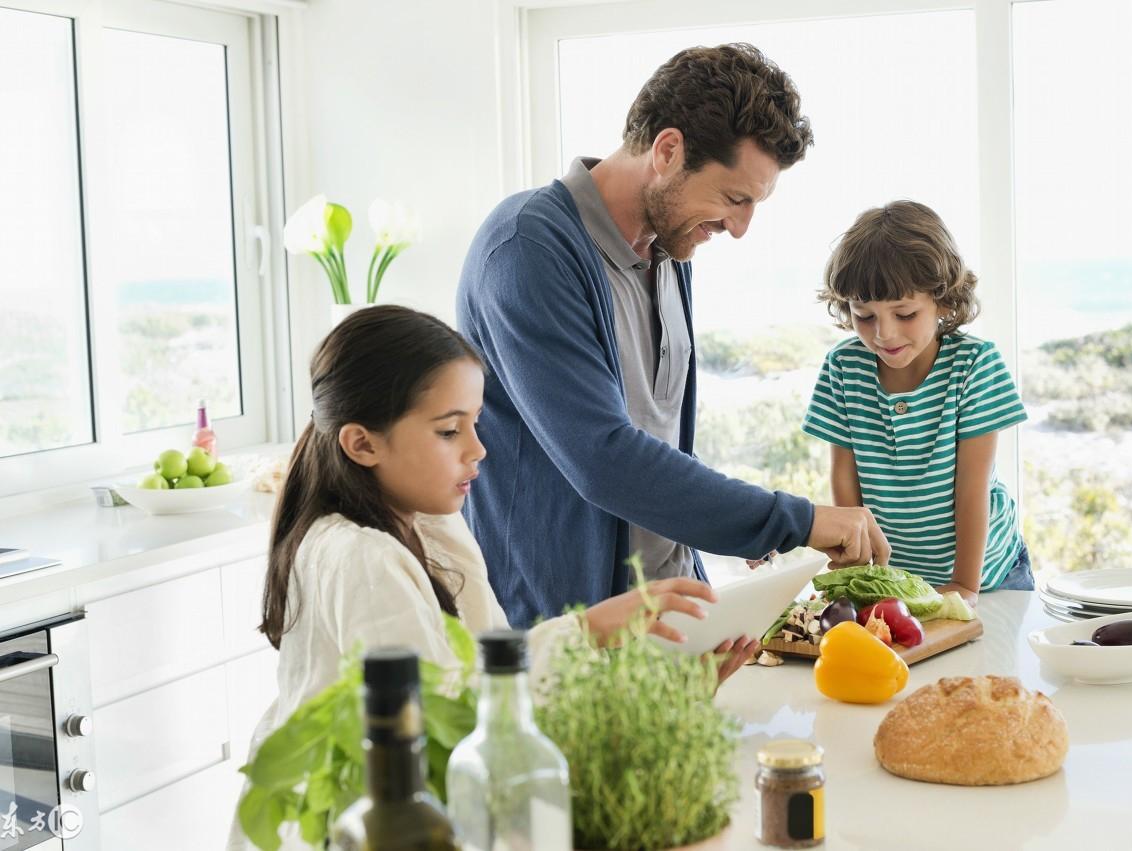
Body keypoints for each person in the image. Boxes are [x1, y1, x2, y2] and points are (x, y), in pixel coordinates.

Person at [227, 306, 756, 850]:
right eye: (450, 430)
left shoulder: (426, 528)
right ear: (362, 444)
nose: (478, 448)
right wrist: (587, 632)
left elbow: (479, 680)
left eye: (476, 423)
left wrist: (655, 695)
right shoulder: (361, 556)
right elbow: (447, 721)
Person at [457, 43, 889, 628]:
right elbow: (604, 458)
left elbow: (663, 445)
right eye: (735, 199)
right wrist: (798, 520)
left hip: (667, 621)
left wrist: (708, 598)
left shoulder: (671, 249)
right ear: (667, 150)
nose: (738, 228)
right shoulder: (528, 249)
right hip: (565, 634)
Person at [802, 201, 1034, 607]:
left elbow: (973, 488)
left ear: (942, 301)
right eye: (864, 315)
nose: (883, 334)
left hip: (990, 576)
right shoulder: (842, 367)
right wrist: (857, 571)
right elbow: (845, 478)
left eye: (904, 313)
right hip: (899, 581)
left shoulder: (974, 365)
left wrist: (965, 584)